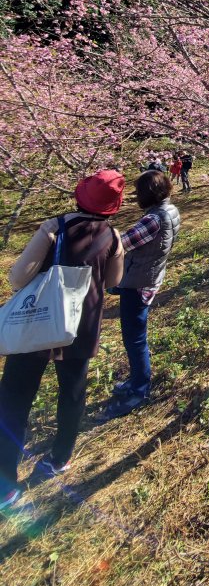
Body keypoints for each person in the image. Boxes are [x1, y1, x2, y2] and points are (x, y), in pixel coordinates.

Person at [0, 170, 125, 509]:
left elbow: (16, 278)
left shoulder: (55, 227)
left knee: (14, 399)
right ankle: (60, 457)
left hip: (38, 324)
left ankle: (6, 483)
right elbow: (114, 279)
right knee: (72, 392)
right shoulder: (113, 236)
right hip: (79, 326)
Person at [102, 171, 181, 419]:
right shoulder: (171, 210)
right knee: (136, 336)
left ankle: (139, 389)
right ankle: (137, 379)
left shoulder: (153, 220)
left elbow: (120, 245)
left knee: (134, 339)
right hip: (149, 277)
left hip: (138, 282)